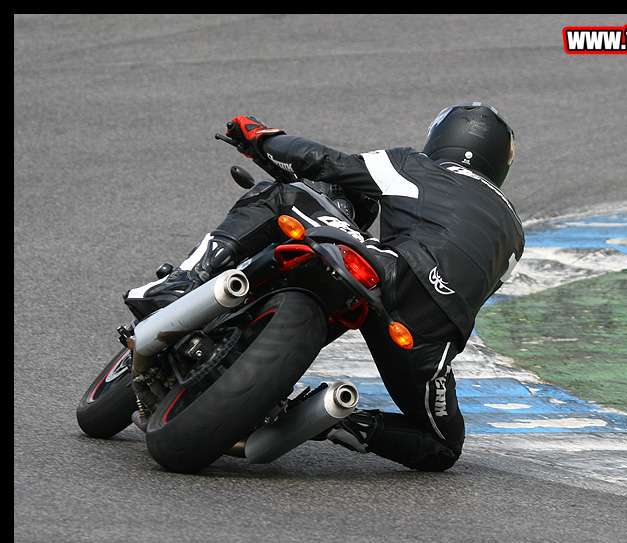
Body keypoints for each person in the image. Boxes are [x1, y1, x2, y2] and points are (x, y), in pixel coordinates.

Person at [124, 103, 525, 472]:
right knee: (442, 445)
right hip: (427, 334)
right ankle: (327, 418)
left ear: (441, 137)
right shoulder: (514, 232)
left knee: (283, 194)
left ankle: (184, 281)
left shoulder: (413, 164)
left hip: (391, 269)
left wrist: (259, 138)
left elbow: (325, 162)